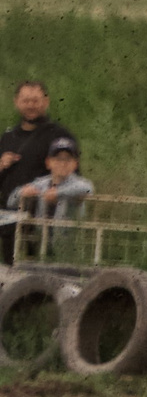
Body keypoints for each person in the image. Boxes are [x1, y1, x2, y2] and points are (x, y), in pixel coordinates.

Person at [0, 80, 67, 265]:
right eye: (26, 100)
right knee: (9, 269)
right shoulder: (8, 136)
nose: (31, 105)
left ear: (46, 101)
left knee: (41, 269)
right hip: (10, 220)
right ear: (16, 102)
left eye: (35, 100)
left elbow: (72, 175)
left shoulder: (58, 135)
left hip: (43, 219)